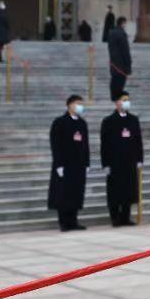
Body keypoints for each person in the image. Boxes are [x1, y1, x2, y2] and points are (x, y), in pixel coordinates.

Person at [99, 91, 142, 226]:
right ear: (117, 103)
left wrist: (140, 159)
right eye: (123, 100)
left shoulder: (133, 120)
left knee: (128, 189)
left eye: (127, 100)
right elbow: (104, 144)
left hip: (130, 161)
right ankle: (115, 217)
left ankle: (126, 217)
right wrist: (105, 163)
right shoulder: (109, 121)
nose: (126, 102)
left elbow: (138, 141)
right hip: (115, 162)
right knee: (115, 190)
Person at [48, 94, 89, 231]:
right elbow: (55, 144)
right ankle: (64, 222)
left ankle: (73, 221)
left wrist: (87, 163)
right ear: (69, 105)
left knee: (76, 192)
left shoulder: (82, 123)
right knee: (64, 193)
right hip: (65, 164)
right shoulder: (60, 122)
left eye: (81, 104)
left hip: (79, 165)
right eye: (77, 103)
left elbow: (86, 145)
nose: (80, 106)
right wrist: (58, 164)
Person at [106, 16, 132, 101]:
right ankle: (118, 98)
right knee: (120, 82)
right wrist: (128, 63)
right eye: (125, 23)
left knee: (114, 80)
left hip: (113, 62)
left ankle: (113, 97)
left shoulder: (111, 33)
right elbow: (125, 50)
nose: (125, 25)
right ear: (122, 23)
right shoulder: (121, 34)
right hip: (121, 64)